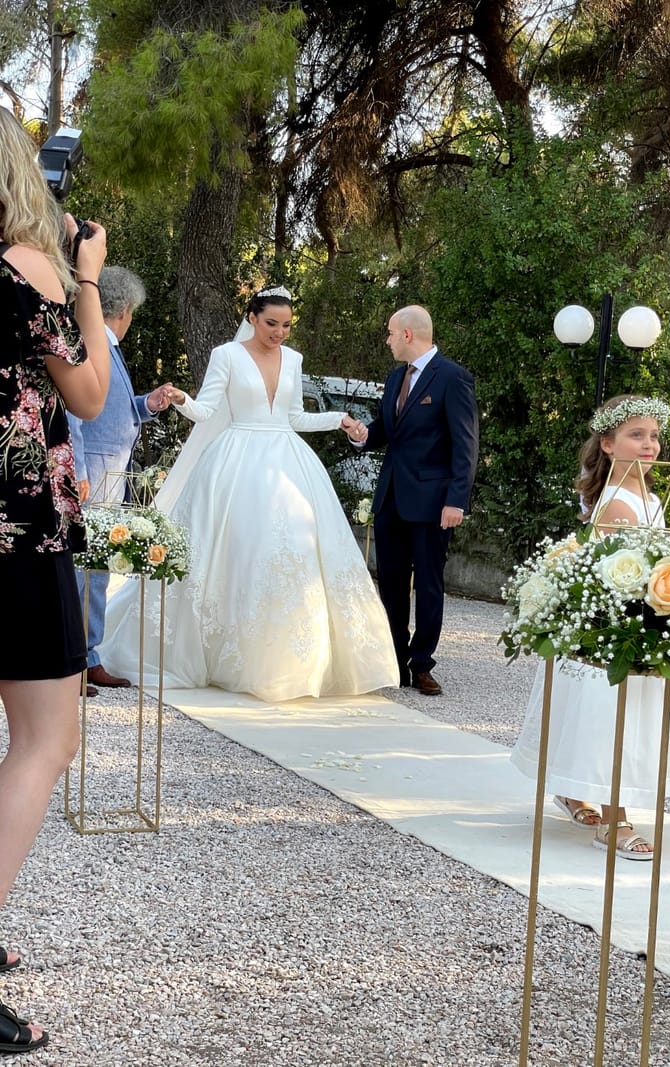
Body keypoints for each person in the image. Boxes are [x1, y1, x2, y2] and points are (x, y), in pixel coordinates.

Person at [99, 286, 399, 700]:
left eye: (287, 326)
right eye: (272, 323)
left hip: (288, 460)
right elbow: (206, 412)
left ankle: (288, 662)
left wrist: (338, 419)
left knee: (294, 545)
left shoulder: (292, 360)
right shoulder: (227, 355)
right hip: (236, 459)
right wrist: (181, 398)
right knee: (237, 550)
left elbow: (292, 417)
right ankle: (219, 651)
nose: (279, 333)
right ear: (253, 318)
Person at [0, 106, 108, 1052]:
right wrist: (82, 277)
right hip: (16, 534)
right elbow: (89, 392)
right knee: (45, 737)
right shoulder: (27, 267)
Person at [509, 395, 670, 860]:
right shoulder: (617, 504)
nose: (649, 444)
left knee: (619, 719)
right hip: (615, 625)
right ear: (608, 444)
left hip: (642, 620)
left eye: (653, 435)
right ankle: (614, 819)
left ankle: (574, 794)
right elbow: (629, 572)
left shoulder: (650, 497)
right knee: (613, 720)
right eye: (636, 435)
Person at [357, 305, 479, 695]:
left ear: (408, 334)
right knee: (390, 584)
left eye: (391, 333)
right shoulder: (396, 379)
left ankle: (422, 663)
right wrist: (361, 434)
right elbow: (387, 432)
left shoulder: (453, 378)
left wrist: (456, 500)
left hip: (433, 502)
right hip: (391, 498)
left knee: (428, 584)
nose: (387, 340)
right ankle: (395, 661)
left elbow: (466, 444)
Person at [67, 266, 173, 695]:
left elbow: (111, 408)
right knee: (82, 571)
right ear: (125, 310)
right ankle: (74, 663)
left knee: (96, 569)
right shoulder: (92, 345)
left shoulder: (106, 346)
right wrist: (74, 468)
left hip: (107, 470)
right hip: (91, 470)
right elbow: (74, 410)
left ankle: (88, 656)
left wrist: (146, 403)